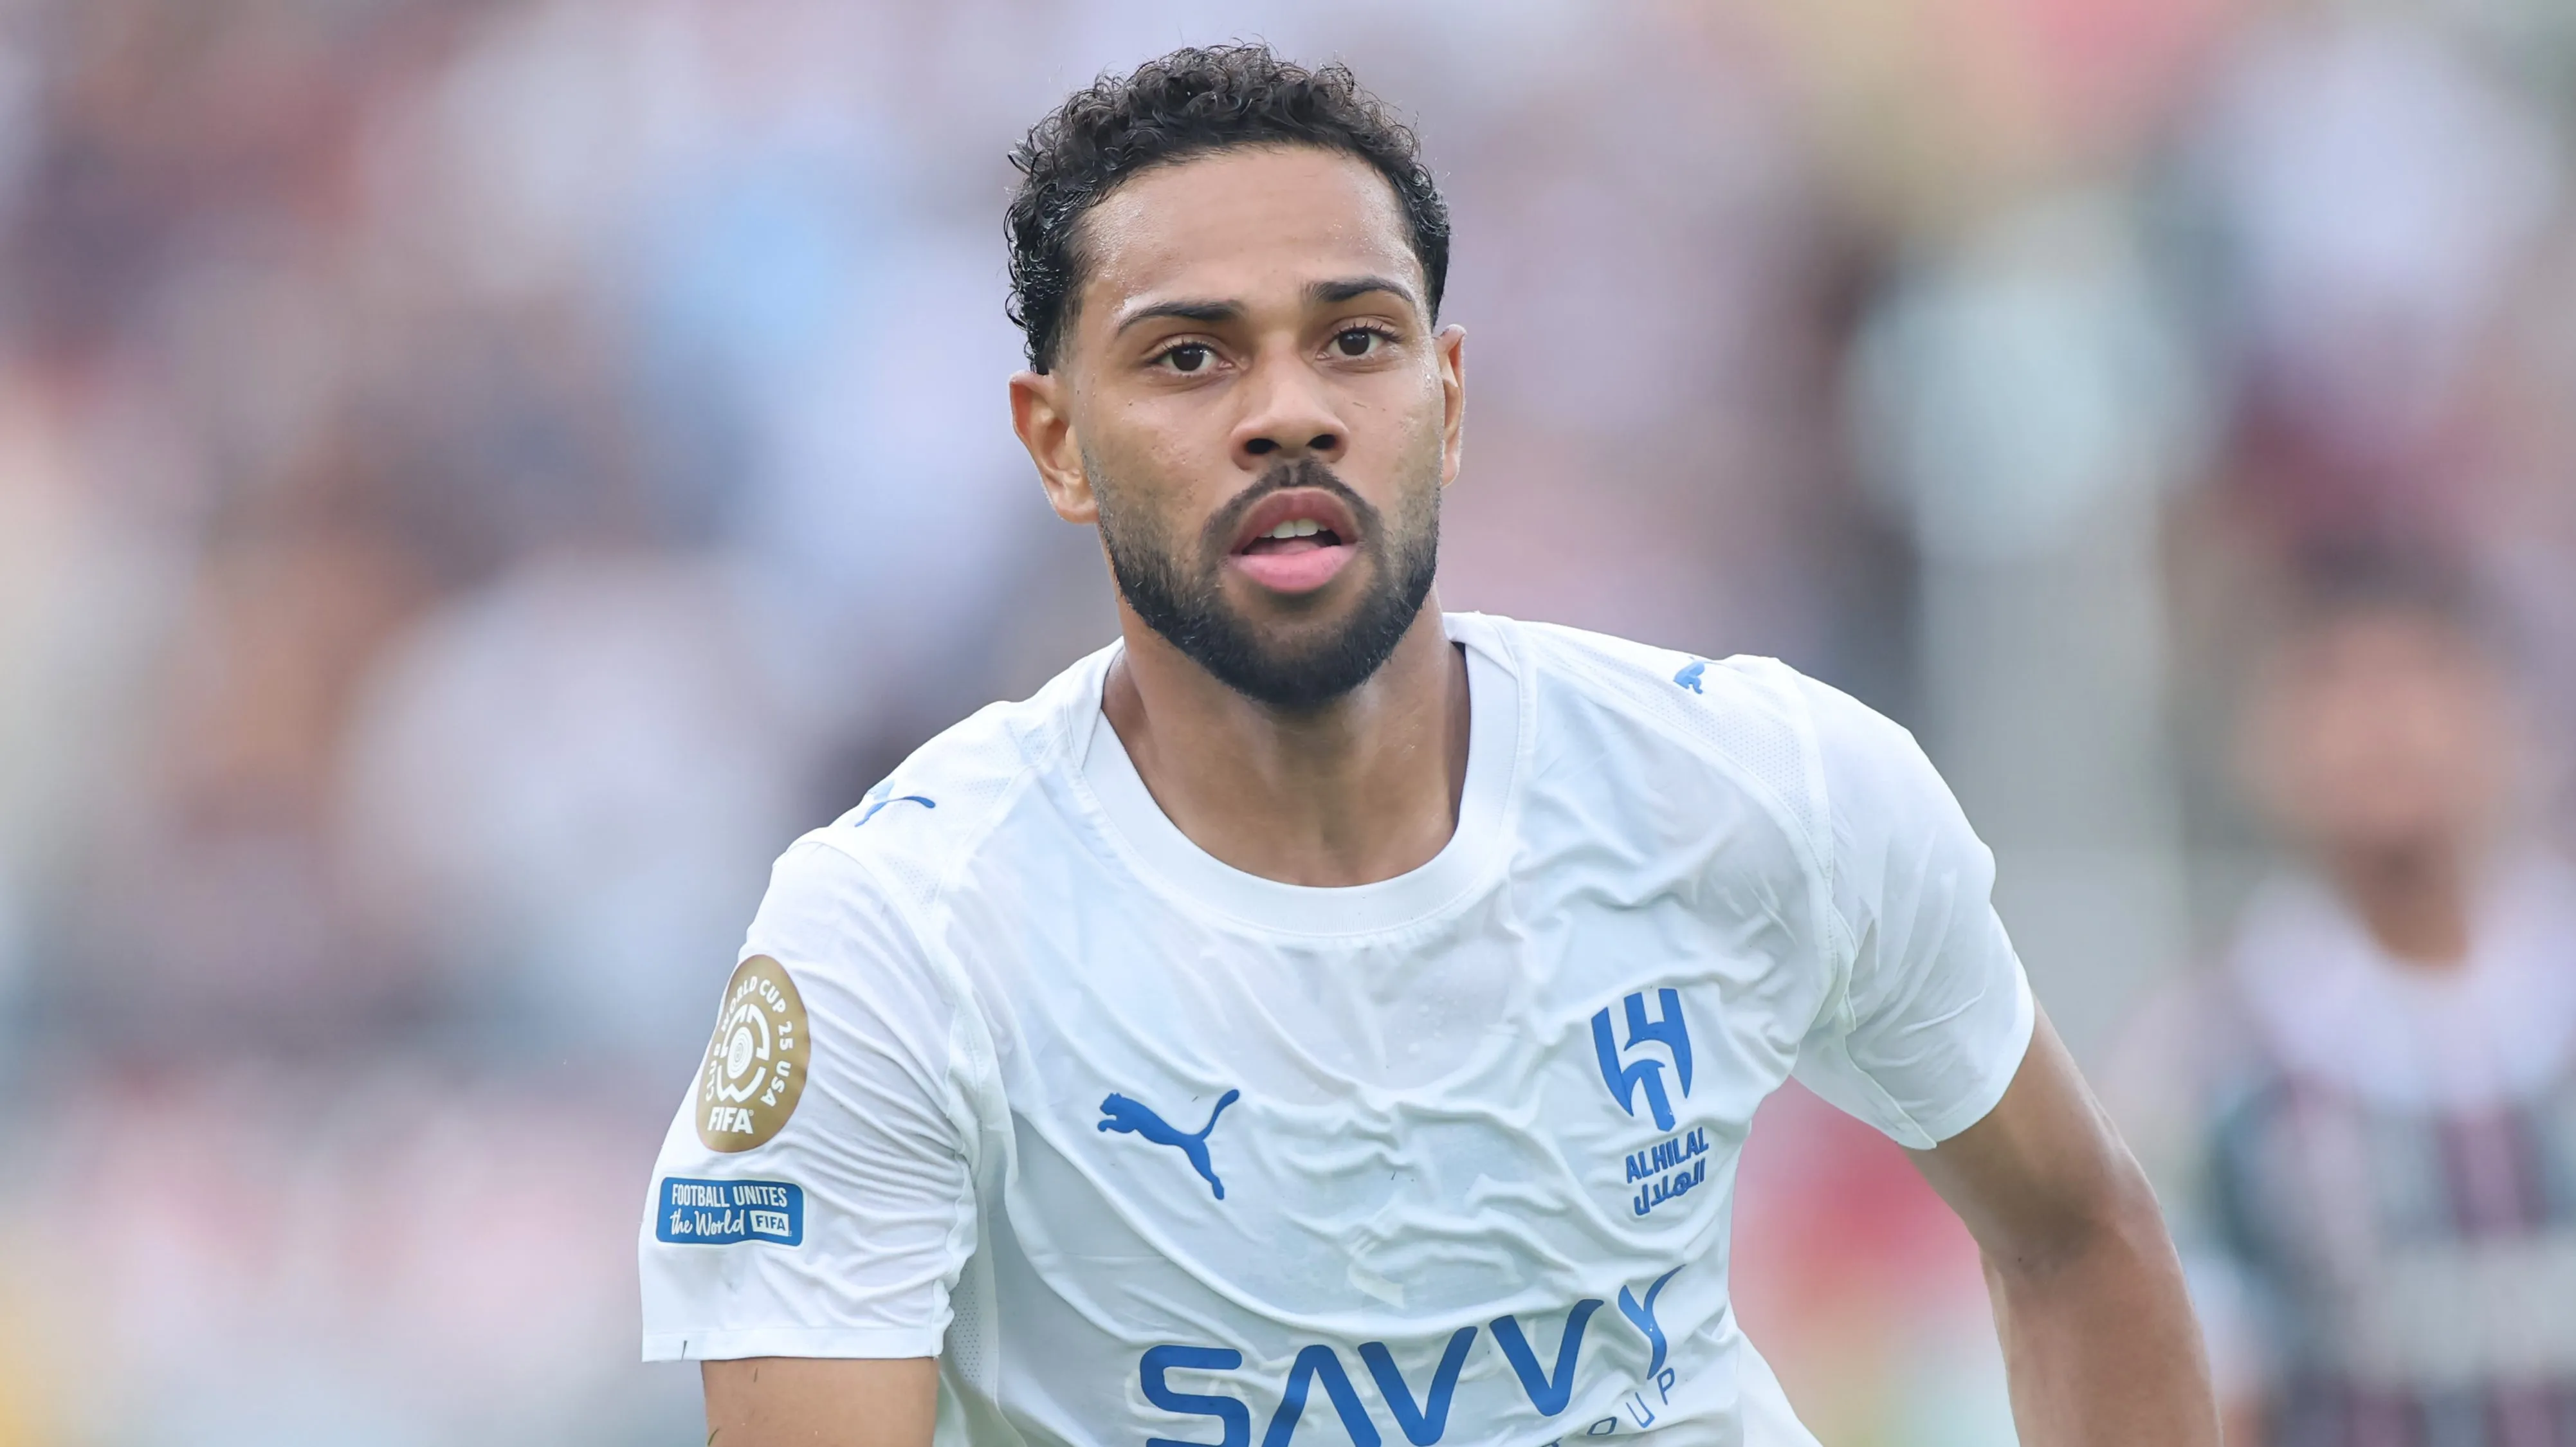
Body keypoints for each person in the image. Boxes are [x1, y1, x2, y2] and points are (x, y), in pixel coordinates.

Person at [639, 45, 2216, 1445]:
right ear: (1056, 442)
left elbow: (2079, 1238)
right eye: (1191, 356)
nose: (1289, 414)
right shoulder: (897, 943)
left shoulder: (1766, 788)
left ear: (1446, 402)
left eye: (1356, 341)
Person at [2121, 564, 2576, 1445]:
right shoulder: (2213, 1060)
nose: (2383, 725)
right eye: (2332, 684)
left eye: (2424, 676)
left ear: (2515, 718)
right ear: (2265, 744)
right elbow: (2203, 1394)